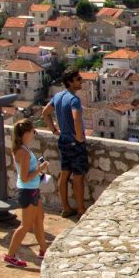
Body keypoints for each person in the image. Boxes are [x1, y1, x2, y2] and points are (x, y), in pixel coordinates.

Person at [41, 69, 87, 218]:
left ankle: (66, 208)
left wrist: (54, 130)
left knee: (65, 174)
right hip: (74, 142)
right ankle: (80, 209)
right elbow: (76, 119)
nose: (81, 81)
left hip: (63, 141)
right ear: (70, 82)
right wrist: (79, 137)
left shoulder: (58, 96)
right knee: (78, 176)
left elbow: (44, 113)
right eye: (78, 79)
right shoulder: (74, 100)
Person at [5, 120, 49, 268]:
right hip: (28, 191)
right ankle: (10, 255)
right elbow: (25, 177)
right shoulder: (23, 152)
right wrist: (40, 169)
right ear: (25, 133)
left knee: (39, 219)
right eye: (32, 132)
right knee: (25, 225)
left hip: (33, 189)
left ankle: (43, 250)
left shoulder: (23, 149)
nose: (33, 134)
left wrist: (37, 169)